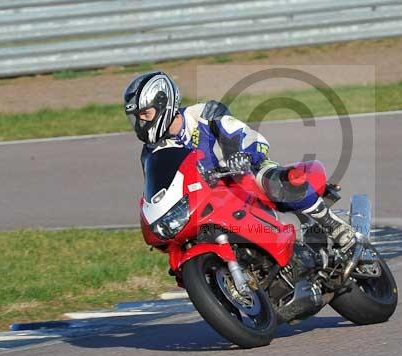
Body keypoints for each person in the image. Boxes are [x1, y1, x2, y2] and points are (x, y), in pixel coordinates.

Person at [123, 71, 358, 252]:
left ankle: (332, 225)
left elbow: (239, 133)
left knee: (274, 182)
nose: (141, 123)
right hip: (207, 199)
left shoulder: (204, 113)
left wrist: (242, 155)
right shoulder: (152, 151)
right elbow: (160, 188)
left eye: (146, 115)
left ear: (164, 104)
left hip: (243, 173)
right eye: (137, 118)